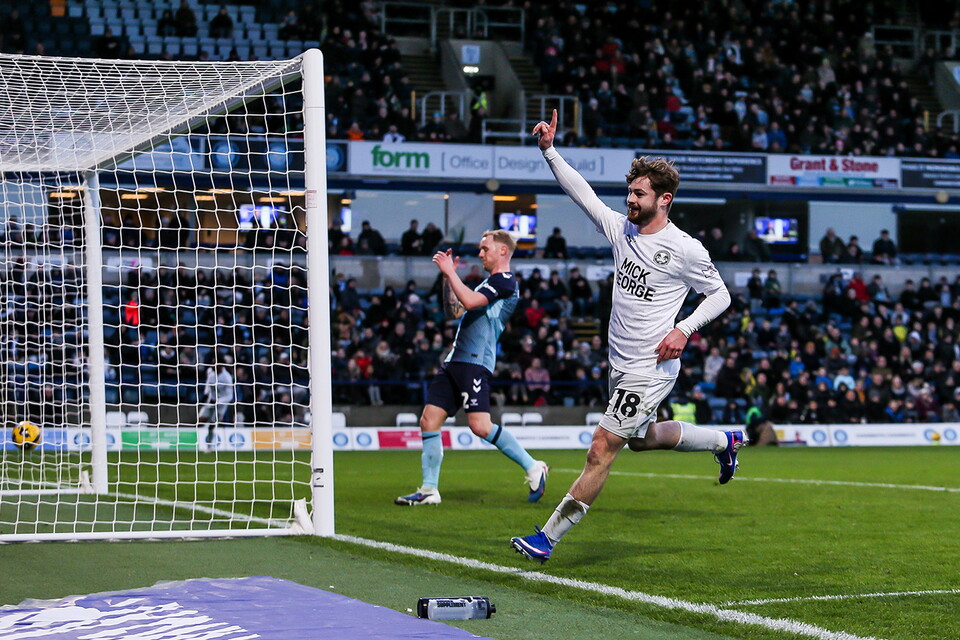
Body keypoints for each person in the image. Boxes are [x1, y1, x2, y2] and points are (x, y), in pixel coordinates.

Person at [511, 110, 737, 563]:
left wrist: (683, 328)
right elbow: (583, 195)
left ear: (664, 199)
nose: (630, 199)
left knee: (601, 449)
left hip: (650, 368)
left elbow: (721, 296)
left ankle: (546, 538)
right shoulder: (622, 229)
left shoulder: (686, 249)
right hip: (619, 364)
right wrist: (549, 151)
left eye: (639, 193)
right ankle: (723, 441)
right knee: (639, 438)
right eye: (630, 191)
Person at [395, 230, 548, 506]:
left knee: (480, 425)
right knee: (429, 420)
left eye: (485, 248)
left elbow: (467, 302)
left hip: (475, 362)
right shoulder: (488, 284)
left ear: (502, 251)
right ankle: (429, 489)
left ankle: (533, 466)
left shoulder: (505, 282)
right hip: (456, 360)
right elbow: (453, 311)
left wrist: (451, 272)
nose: (480, 253)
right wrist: (447, 277)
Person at [199, 359, 234, 451]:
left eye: (215, 365)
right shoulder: (210, 371)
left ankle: (209, 445)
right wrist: (205, 393)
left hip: (221, 405)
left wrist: (218, 401)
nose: (213, 367)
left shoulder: (227, 378)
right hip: (211, 400)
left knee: (212, 424)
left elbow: (229, 396)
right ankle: (195, 441)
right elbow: (208, 383)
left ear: (221, 366)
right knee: (201, 420)